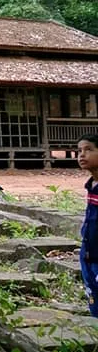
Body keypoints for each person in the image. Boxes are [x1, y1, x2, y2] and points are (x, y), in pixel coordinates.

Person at [77, 133, 98, 318]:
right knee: (93, 298)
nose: (82, 155)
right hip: (89, 252)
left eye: (89, 150)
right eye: (79, 151)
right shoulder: (91, 185)